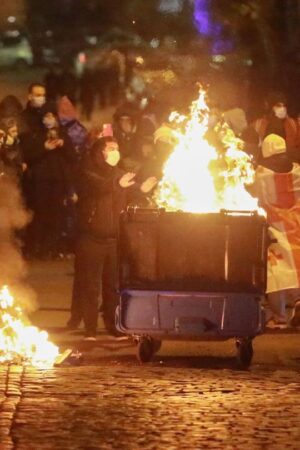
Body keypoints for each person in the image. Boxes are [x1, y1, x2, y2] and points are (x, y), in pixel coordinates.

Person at [68, 136, 157, 340]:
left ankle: (113, 326)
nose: (115, 152)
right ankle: (90, 329)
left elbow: (129, 190)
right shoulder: (88, 171)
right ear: (100, 152)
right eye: (110, 148)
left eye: (117, 148)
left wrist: (141, 190)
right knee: (91, 286)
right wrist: (118, 183)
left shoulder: (119, 174)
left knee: (112, 286)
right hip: (91, 239)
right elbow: (99, 186)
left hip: (113, 240)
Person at [253, 133, 300, 328]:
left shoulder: (260, 175)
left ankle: (280, 317)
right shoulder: (298, 172)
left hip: (274, 229)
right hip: (296, 227)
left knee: (274, 273)